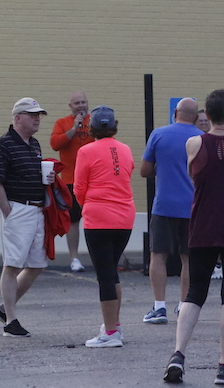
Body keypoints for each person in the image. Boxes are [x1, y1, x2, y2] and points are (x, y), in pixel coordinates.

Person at [165, 89, 224, 386]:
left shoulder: (194, 143)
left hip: (203, 224)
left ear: (207, 115)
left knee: (195, 292)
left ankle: (178, 354)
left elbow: (194, 174)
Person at [0, 97, 56, 338]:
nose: (38, 118)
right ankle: (11, 320)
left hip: (36, 209)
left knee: (37, 264)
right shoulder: (3, 145)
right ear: (18, 118)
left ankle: (4, 309)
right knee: (13, 264)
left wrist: (45, 179)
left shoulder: (34, 144)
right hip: (17, 208)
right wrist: (8, 211)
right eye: (32, 114)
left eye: (39, 114)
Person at [73, 106, 135, 348]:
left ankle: (110, 332)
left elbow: (79, 188)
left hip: (98, 218)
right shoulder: (126, 149)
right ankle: (115, 325)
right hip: (124, 217)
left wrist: (88, 205)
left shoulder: (86, 151)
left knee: (105, 276)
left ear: (91, 128)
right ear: (114, 125)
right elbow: (125, 174)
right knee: (112, 271)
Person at [139, 97, 201, 324]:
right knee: (188, 258)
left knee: (158, 255)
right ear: (195, 117)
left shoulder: (159, 134)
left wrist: (163, 167)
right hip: (192, 207)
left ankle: (159, 306)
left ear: (175, 112)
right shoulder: (201, 139)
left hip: (164, 204)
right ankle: (184, 305)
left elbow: (144, 170)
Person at [49, 91, 93, 273]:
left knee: (93, 220)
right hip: (70, 180)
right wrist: (74, 127)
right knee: (73, 221)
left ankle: (96, 256)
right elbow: (55, 144)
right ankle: (74, 258)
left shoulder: (94, 121)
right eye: (77, 103)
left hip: (92, 180)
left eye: (83, 102)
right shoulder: (62, 123)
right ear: (71, 106)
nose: (81, 105)